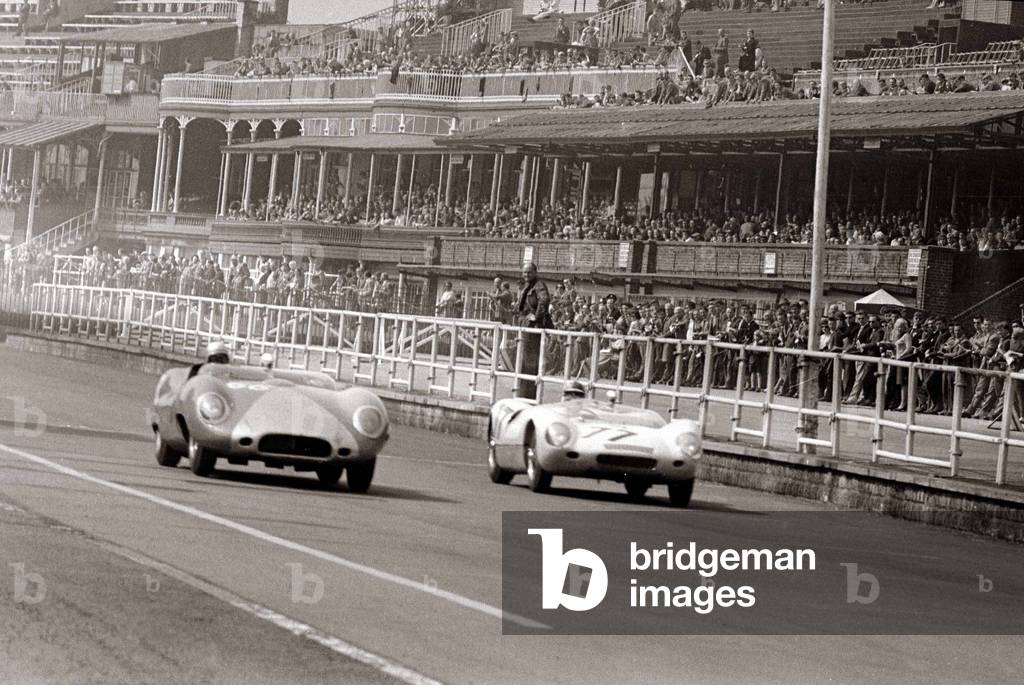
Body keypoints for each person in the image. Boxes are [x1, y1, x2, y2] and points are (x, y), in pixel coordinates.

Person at [514, 262, 550, 399]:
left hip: (534, 329)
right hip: (526, 328)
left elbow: (544, 300)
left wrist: (536, 317)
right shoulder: (527, 286)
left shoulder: (539, 285)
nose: (526, 275)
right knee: (525, 361)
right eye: (524, 272)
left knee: (531, 363)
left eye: (529, 272)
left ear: (535, 272)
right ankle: (523, 394)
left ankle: (529, 395)